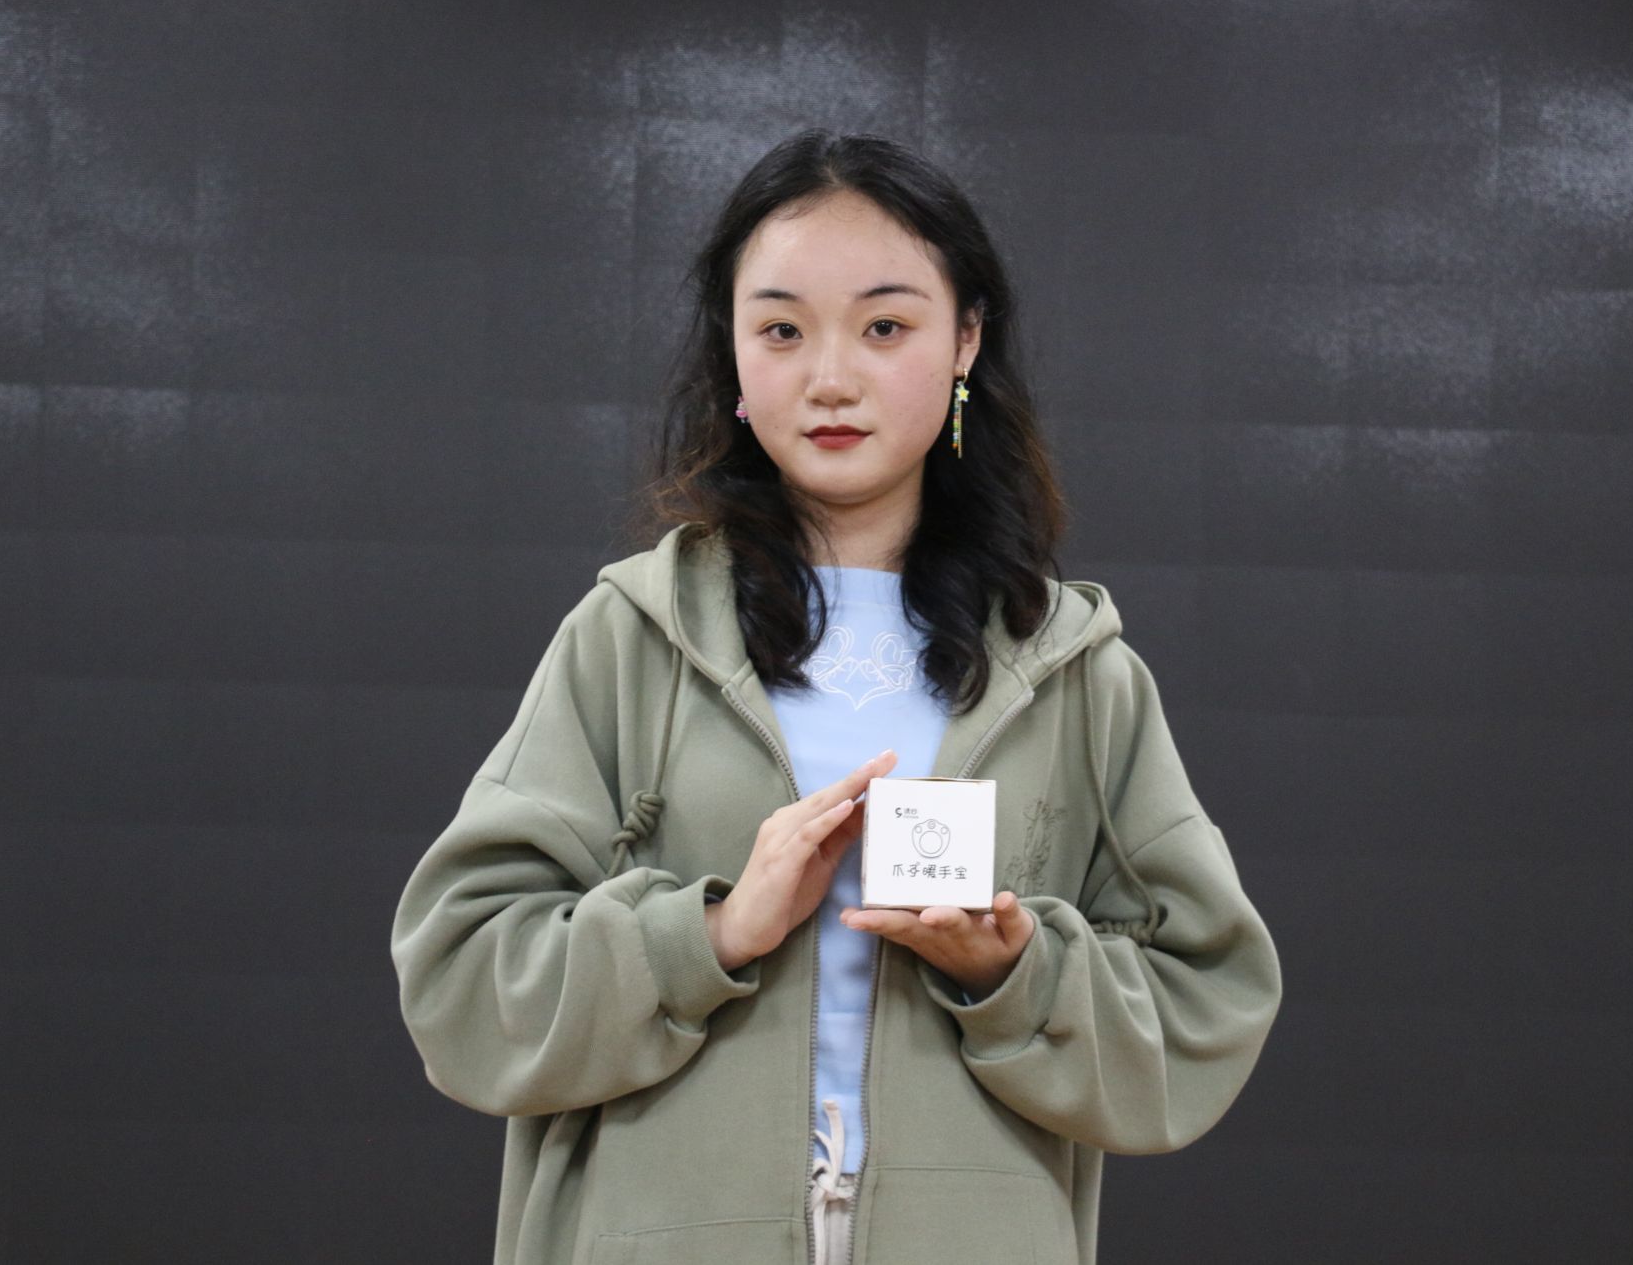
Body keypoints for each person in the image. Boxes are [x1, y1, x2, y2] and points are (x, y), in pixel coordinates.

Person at [390, 129, 1282, 1265]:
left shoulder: (1071, 667)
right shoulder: (628, 639)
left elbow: (1201, 1006)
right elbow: (462, 985)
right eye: (780, 329)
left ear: (966, 340)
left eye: (884, 327)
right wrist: (713, 932)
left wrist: (1011, 972)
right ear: (731, 354)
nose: (829, 378)